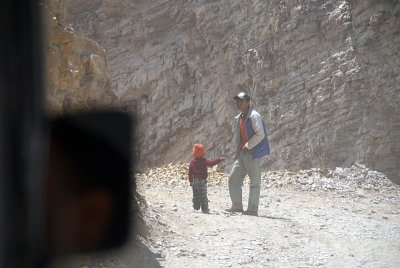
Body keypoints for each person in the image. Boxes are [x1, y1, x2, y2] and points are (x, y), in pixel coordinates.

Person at [226, 92, 270, 216]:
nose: (237, 103)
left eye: (240, 100)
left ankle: (252, 210)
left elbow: (260, 134)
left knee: (255, 182)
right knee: (233, 179)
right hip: (242, 153)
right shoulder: (240, 117)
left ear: (247, 102)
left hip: (253, 153)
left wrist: (248, 145)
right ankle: (237, 206)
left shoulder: (254, 116)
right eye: (237, 100)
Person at [188, 144, 224, 214]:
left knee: (196, 195)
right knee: (203, 195)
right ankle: (204, 209)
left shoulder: (192, 162)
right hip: (202, 181)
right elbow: (211, 163)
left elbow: (190, 173)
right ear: (202, 152)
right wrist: (219, 160)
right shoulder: (204, 161)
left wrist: (190, 181)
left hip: (195, 181)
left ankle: (196, 208)